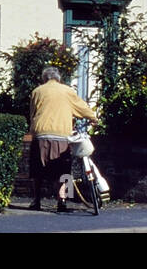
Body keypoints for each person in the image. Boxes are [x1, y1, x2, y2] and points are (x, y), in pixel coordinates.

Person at [28, 65, 98, 211]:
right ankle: (62, 202)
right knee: (64, 171)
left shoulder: (37, 91)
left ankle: (36, 201)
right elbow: (82, 108)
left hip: (40, 134)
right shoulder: (67, 91)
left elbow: (32, 114)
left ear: (44, 78)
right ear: (58, 78)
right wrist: (93, 118)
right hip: (61, 135)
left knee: (37, 170)